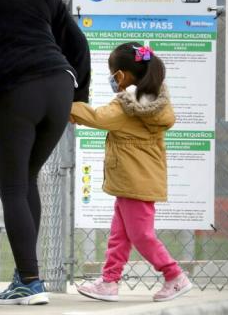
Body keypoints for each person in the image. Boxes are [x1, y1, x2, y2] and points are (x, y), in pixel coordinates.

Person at [0, 0, 91, 306]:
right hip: (59, 84)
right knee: (26, 179)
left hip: (13, 91)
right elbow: (77, 41)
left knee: (12, 187)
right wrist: (81, 96)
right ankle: (25, 276)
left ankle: (30, 281)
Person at [71, 43, 193, 303]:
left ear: (122, 76)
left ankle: (174, 276)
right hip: (133, 184)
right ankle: (109, 282)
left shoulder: (128, 106)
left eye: (112, 73)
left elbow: (97, 117)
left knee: (141, 235)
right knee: (119, 236)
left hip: (135, 184)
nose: (112, 79)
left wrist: (64, 105)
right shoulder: (151, 101)